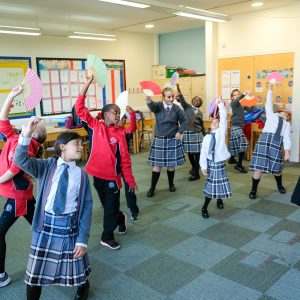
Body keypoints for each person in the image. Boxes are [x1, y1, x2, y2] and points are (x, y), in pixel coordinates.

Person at [14, 118, 93, 300]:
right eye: (76, 143)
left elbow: (87, 206)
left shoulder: (81, 174)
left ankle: (83, 286)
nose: (81, 147)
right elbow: (20, 159)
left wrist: (82, 240)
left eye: (82, 144)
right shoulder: (46, 166)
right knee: (35, 274)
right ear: (62, 146)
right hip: (46, 226)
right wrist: (26, 136)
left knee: (76, 267)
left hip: (69, 226)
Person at [75, 75, 137, 250]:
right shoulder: (95, 126)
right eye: (114, 112)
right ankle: (120, 218)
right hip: (96, 175)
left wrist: (129, 180)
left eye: (119, 112)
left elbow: (125, 159)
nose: (117, 115)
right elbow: (79, 108)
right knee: (110, 207)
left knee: (109, 208)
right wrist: (87, 83)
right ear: (105, 114)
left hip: (112, 178)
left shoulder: (120, 133)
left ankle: (107, 236)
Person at [0, 86, 47, 288]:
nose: (31, 123)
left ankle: (1, 276)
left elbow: (14, 169)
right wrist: (11, 95)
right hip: (21, 194)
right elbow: (3, 119)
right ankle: (53, 253)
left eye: (34, 125)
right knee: (40, 226)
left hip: (19, 196)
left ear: (35, 135)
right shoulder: (14, 138)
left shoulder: (27, 147)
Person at [248, 82, 291, 199]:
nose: (284, 112)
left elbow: (286, 138)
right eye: (282, 110)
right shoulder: (271, 115)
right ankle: (253, 190)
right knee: (259, 168)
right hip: (264, 142)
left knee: (276, 168)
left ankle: (279, 185)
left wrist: (287, 151)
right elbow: (268, 103)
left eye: (287, 113)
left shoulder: (287, 124)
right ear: (278, 111)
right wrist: (270, 90)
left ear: (287, 116)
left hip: (276, 144)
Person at [146, 87, 187, 197]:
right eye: (169, 97)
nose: (171, 98)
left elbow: (185, 121)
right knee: (157, 166)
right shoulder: (159, 106)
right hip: (160, 140)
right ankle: (152, 188)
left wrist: (180, 131)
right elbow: (152, 107)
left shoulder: (177, 108)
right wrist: (149, 101)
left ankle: (171, 184)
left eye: (172, 96)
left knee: (171, 165)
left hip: (172, 140)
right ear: (163, 98)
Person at [200, 97, 231, 219]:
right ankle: (204, 207)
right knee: (211, 185)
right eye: (212, 122)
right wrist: (203, 167)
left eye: (216, 122)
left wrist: (220, 105)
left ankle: (219, 200)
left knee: (219, 183)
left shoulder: (221, 132)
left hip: (220, 163)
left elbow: (223, 118)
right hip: (211, 164)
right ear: (210, 125)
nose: (214, 123)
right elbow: (203, 153)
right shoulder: (207, 137)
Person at [176, 84, 205, 181]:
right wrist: (178, 89)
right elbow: (182, 99)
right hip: (188, 134)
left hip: (197, 134)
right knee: (189, 153)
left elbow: (202, 125)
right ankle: (194, 167)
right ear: (192, 101)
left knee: (197, 154)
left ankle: (196, 173)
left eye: (199, 101)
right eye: (196, 99)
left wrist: (204, 135)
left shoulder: (200, 113)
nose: (197, 101)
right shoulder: (187, 107)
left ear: (201, 104)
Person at [116, 106, 140, 220]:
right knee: (111, 189)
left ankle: (134, 210)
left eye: (125, 118)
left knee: (129, 187)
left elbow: (133, 127)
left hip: (125, 164)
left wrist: (132, 114)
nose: (124, 120)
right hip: (112, 165)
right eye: (122, 118)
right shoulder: (109, 131)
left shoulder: (125, 131)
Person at [228, 89, 249, 173]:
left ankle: (232, 159)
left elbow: (251, 109)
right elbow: (237, 100)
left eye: (238, 94)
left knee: (235, 145)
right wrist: (243, 94)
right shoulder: (233, 103)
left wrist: (250, 102)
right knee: (243, 145)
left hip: (238, 127)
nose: (236, 96)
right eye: (235, 95)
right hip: (236, 127)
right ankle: (239, 165)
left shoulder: (241, 104)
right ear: (232, 97)